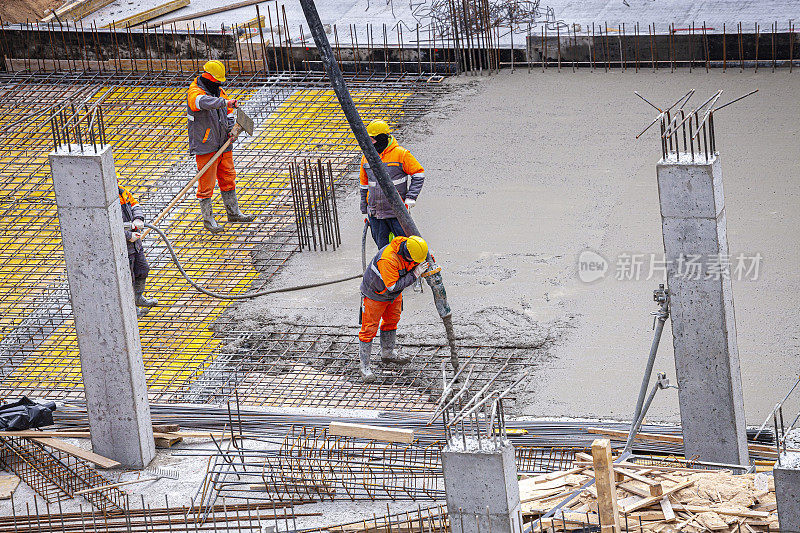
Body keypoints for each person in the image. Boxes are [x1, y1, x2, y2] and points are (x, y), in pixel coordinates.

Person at [187, 60, 255, 233]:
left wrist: (232, 129)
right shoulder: (194, 92)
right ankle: (209, 220)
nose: (219, 84)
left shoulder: (219, 91)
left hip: (223, 143)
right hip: (206, 145)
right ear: (208, 77)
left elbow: (229, 113)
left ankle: (233, 213)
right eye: (217, 81)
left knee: (228, 177)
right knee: (206, 184)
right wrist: (224, 102)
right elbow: (203, 102)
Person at [358, 235, 429, 382]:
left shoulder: (413, 249)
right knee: (369, 329)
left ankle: (387, 353)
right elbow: (393, 286)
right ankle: (364, 367)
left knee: (392, 320)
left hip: (393, 295)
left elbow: (420, 260)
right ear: (408, 255)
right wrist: (415, 274)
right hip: (375, 294)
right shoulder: (388, 259)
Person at [359, 119, 425, 248]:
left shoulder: (401, 154)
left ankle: (407, 268)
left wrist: (411, 197)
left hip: (398, 213)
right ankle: (387, 268)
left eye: (372, 140)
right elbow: (364, 184)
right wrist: (364, 206)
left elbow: (418, 174)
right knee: (382, 249)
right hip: (376, 213)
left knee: (405, 248)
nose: (369, 143)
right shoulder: (366, 157)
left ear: (382, 138)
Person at [119, 183, 158, 318]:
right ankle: (132, 308)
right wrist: (128, 236)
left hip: (135, 244)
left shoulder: (121, 191)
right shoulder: (103, 198)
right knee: (128, 279)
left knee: (142, 270)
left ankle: (138, 297)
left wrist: (138, 218)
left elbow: (135, 205)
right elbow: (107, 226)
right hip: (123, 248)